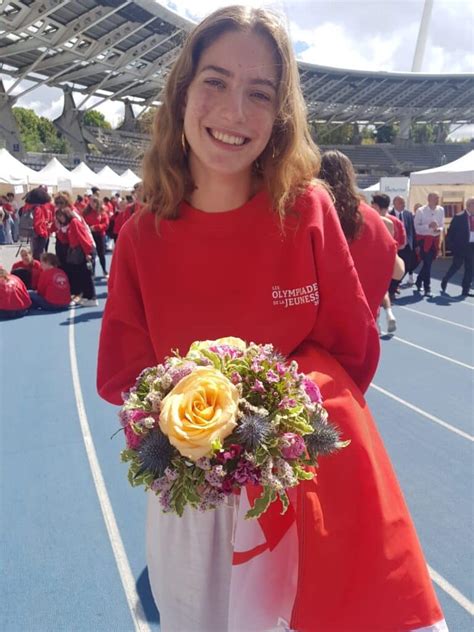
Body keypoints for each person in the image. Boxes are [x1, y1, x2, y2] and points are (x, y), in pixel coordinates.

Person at [97, 7, 445, 632]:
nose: (234, 113)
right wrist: (193, 436)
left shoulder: (307, 209)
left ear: (280, 116)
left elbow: (352, 352)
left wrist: (278, 422)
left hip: (302, 488)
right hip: (195, 510)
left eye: (259, 94)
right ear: (182, 93)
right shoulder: (139, 238)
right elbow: (126, 378)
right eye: (216, 82)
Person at [319, 150, 402, 320]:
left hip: (321, 317)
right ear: (350, 176)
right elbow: (398, 272)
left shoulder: (310, 214)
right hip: (360, 317)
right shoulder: (374, 219)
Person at [371, 193, 406, 332]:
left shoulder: (372, 219)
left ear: (375, 205)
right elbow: (402, 243)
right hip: (390, 260)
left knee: (371, 293)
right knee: (383, 290)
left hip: (372, 259)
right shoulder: (395, 221)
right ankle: (389, 313)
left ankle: (376, 322)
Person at [55, 207, 98, 307]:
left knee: (86, 274)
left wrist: (87, 253)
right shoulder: (68, 226)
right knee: (81, 275)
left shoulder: (74, 222)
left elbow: (83, 237)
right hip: (76, 251)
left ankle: (92, 297)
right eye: (58, 217)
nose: (60, 218)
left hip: (82, 250)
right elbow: (64, 240)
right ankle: (86, 296)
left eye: (61, 216)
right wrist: (60, 230)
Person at [441, 196, 474, 297]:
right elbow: (451, 233)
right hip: (461, 247)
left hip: (472, 246)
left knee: (470, 268)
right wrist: (452, 247)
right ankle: (445, 279)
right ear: (469, 206)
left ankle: (465, 289)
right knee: (456, 266)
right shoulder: (459, 217)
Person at [414, 192, 445, 297]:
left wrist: (438, 229)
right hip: (424, 240)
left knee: (429, 263)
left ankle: (419, 280)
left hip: (435, 240)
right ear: (429, 199)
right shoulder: (421, 211)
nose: (437, 199)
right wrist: (428, 226)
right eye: (435, 198)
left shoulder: (441, 210)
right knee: (427, 263)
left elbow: (442, 225)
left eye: (437, 198)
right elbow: (416, 227)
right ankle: (427, 287)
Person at [390, 195, 417, 287]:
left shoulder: (408, 214)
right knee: (395, 268)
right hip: (396, 246)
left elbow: (412, 230)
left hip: (407, 245)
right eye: (401, 203)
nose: (403, 205)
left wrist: (415, 244)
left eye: (404, 203)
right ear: (394, 204)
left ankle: (395, 285)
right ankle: (393, 287)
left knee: (406, 266)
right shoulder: (389, 215)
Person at [82, 196, 109, 278]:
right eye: (91, 202)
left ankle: (104, 270)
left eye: (94, 202)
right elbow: (82, 222)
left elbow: (106, 224)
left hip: (100, 235)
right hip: (90, 235)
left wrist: (96, 227)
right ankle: (92, 272)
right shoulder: (86, 212)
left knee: (101, 254)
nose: (92, 204)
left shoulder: (102, 212)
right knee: (91, 254)